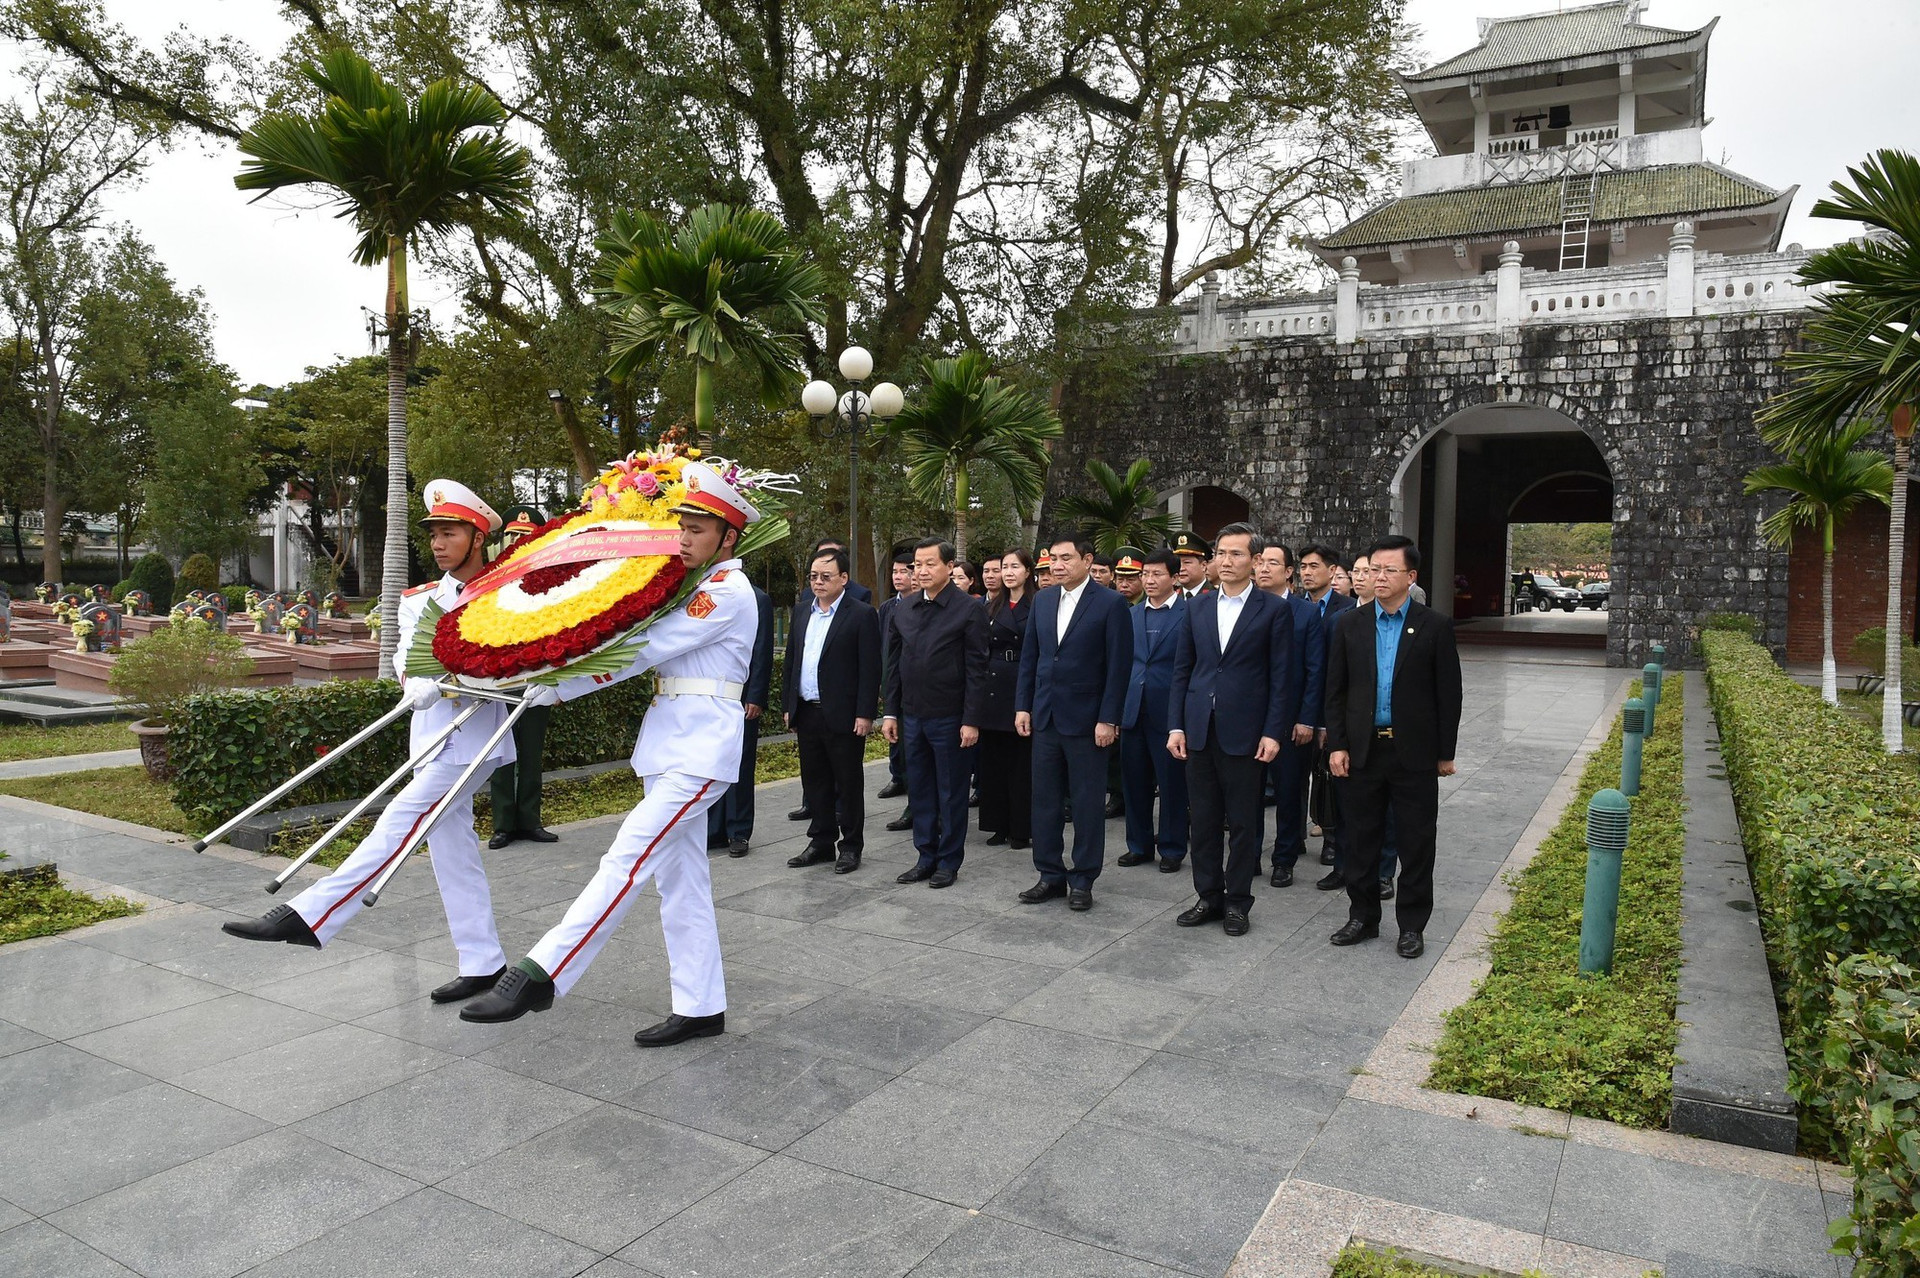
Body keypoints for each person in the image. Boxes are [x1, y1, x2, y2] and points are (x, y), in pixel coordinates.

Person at [459, 462, 766, 1044]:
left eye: (699, 529)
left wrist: (555, 679)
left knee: (625, 859)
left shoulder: (726, 590)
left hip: (701, 751)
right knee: (682, 883)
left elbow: (647, 647)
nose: (684, 536)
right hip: (670, 746)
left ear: (729, 537)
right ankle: (701, 1005)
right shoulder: (689, 585)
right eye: (683, 525)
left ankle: (541, 972)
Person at [222, 480, 516, 1006]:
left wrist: (472, 677)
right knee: (454, 853)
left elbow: (520, 661)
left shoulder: (509, 596)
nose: (438, 544)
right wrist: (415, 679)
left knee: (398, 823)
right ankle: (483, 962)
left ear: (477, 538)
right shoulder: (420, 600)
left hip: (475, 738)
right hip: (429, 733)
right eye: (433, 536)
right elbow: (405, 654)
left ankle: (308, 915)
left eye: (450, 534)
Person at [1325, 535, 1462, 959]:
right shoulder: (1350, 623)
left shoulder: (1434, 625)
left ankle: (1412, 925)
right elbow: (1337, 691)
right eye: (1372, 568)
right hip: (1363, 751)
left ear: (1411, 576)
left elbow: (1449, 693)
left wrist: (1445, 752)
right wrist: (1338, 745)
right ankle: (1363, 917)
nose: (1378, 577)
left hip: (1414, 753)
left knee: (1416, 842)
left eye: (1389, 570)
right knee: (1360, 840)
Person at [1167, 523, 1294, 937]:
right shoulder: (1197, 607)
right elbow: (1183, 671)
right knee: (1202, 821)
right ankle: (1208, 895)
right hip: (1199, 729)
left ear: (1255, 561)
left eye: (1236, 554)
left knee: (1243, 823)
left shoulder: (1273, 610)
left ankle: (1238, 901)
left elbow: (1281, 678)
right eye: (1221, 553)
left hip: (1246, 733)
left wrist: (1274, 732)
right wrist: (1176, 725)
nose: (1226, 561)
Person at [1015, 536, 1132, 911]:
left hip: (1088, 721)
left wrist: (1108, 718)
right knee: (1045, 801)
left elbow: (1118, 668)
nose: (1057, 565)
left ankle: (1083, 879)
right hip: (1046, 717)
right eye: (1053, 559)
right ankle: (1049, 874)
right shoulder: (1044, 600)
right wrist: (1023, 707)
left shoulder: (1110, 603)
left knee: (1086, 804)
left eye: (1066, 558)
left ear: (1087, 560)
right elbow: (1030, 657)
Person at [881, 538, 987, 888]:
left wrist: (971, 720)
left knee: (951, 792)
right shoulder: (904, 609)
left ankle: (948, 861)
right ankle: (925, 856)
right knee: (920, 789)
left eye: (930, 564)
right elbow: (894, 666)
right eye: (917, 565)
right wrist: (891, 714)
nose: (922, 571)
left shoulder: (968, 609)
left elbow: (976, 669)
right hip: (912, 716)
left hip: (951, 718)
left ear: (948, 566)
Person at [783, 545, 880, 874]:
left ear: (844, 578)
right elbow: (793, 662)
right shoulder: (801, 612)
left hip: (844, 713)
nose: (818, 582)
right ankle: (821, 841)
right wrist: (789, 705)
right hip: (808, 711)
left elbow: (870, 669)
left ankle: (850, 845)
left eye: (826, 577)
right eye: (813, 576)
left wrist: (865, 713)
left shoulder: (861, 614)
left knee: (848, 783)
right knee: (815, 782)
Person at [488, 504, 558, 850]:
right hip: (502, 679)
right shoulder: (490, 581)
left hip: (536, 678)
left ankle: (530, 820)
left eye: (524, 538)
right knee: (502, 754)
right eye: (512, 536)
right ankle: (502, 824)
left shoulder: (552, 584)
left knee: (531, 752)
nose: (517, 543)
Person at [1258, 542, 1325, 888]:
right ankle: (1249, 854)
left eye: (1274, 563)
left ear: (1288, 573)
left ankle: (1284, 858)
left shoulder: (1305, 613)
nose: (1264, 569)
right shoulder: (1244, 608)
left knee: (1288, 792)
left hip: (1290, 720)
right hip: (1249, 718)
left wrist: (1307, 718)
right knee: (1247, 792)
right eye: (1261, 562)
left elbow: (1315, 670)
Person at [1118, 548, 1188, 873]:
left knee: (1172, 784)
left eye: (1157, 574)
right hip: (1133, 709)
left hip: (1169, 713)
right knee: (1134, 782)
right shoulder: (1130, 615)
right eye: (1145, 574)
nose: (1149, 580)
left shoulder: (1188, 615)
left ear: (1175, 578)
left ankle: (1172, 847)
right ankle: (1139, 844)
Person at [706, 577, 774, 857]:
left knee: (741, 764)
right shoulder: (708, 594)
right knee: (711, 763)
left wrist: (755, 696)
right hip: (711, 695)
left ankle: (739, 831)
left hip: (742, 697)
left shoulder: (757, 599)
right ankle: (714, 829)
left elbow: (762, 649)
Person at [976, 548, 1034, 850]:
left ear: (1027, 571)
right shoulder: (991, 606)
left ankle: (1021, 827)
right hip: (993, 685)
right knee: (993, 762)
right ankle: (997, 823)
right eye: (1004, 567)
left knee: (1020, 763)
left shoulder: (1036, 603)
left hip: (1020, 682)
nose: (1007, 572)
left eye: (1014, 567)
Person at [877, 549, 915, 818]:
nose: (898, 577)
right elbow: (882, 648)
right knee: (894, 734)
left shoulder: (923, 605)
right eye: (895, 572)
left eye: (905, 571)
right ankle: (897, 777)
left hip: (917, 685)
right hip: (892, 682)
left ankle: (916, 804)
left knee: (913, 745)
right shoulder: (888, 608)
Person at [1169, 532, 1211, 599]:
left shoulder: (1215, 596)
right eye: (1178, 563)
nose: (1181, 568)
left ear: (1203, 565)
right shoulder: (1171, 598)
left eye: (1187, 562)